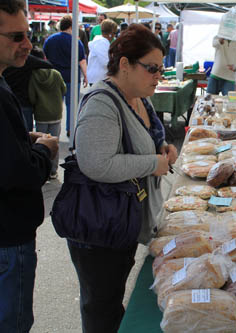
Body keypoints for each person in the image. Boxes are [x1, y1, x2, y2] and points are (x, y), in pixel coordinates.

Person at [67, 23, 177, 333]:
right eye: (152, 68)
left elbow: (148, 137)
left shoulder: (140, 96)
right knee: (102, 305)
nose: (159, 75)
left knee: (111, 298)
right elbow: (95, 164)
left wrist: (163, 148)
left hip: (122, 220)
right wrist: (151, 163)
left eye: (161, 68)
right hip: (98, 226)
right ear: (125, 64)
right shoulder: (102, 102)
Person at [0, 1, 59, 332]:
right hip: (8, 237)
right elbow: (16, 173)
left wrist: (23, 138)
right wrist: (42, 150)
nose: (27, 44)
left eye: (28, 34)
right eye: (17, 36)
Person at [43, 15, 88, 137]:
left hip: (54, 77)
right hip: (71, 77)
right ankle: (70, 128)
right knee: (72, 105)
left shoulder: (50, 40)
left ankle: (51, 129)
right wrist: (86, 75)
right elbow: (82, 61)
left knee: (54, 104)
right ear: (70, 26)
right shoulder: (75, 41)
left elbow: (45, 57)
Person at [28, 47, 66, 179]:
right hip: (56, 113)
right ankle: (53, 171)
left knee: (42, 142)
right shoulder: (55, 73)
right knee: (54, 142)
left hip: (41, 115)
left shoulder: (33, 76)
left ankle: (44, 170)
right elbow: (64, 89)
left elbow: (32, 97)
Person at [4, 48, 53, 131]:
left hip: (6, 100)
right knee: (26, 134)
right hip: (23, 102)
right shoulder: (27, 60)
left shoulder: (4, 60)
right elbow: (48, 65)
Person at [87, 19, 117, 85]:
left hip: (97, 78)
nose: (114, 36)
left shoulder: (100, 41)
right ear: (111, 33)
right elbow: (106, 62)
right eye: (115, 33)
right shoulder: (102, 43)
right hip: (99, 79)